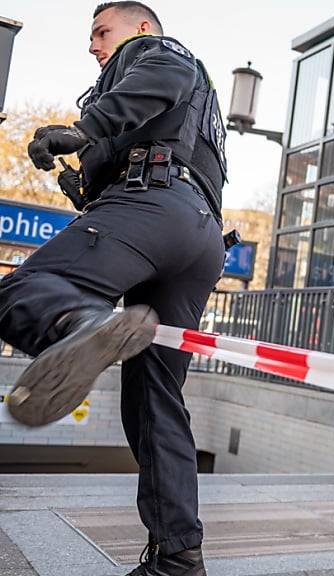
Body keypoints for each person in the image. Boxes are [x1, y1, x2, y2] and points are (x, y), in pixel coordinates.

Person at [1, 3, 228, 574]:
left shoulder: (156, 50)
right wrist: (86, 181)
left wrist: (84, 129)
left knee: (24, 289)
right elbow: (162, 127)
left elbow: (162, 76)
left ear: (141, 27)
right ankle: (177, 557)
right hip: (199, 234)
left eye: (102, 32)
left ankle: (81, 322)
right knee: (155, 400)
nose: (93, 45)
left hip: (154, 207)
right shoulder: (191, 103)